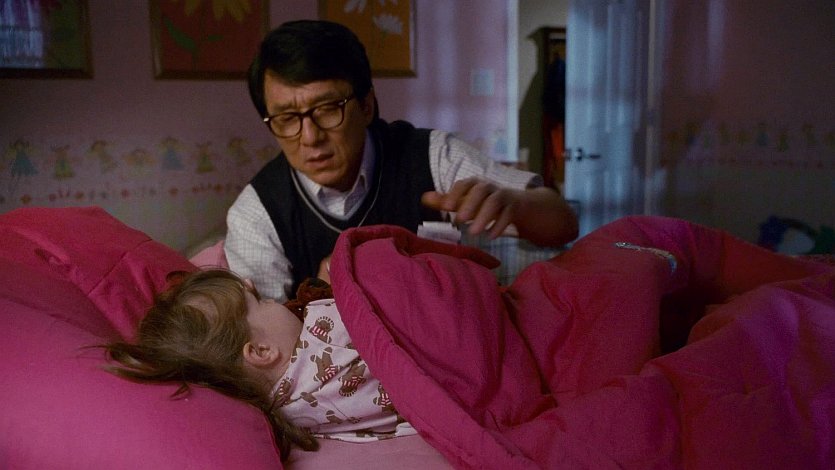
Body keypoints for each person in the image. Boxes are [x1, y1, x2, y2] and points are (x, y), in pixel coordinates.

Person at [225, 19, 579, 303]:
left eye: (328, 108)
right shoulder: (257, 213)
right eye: (287, 118)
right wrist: (321, 298)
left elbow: (564, 225)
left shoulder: (431, 156)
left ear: (366, 105)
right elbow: (263, 342)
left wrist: (515, 204)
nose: (310, 137)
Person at [103, 269, 415, 462]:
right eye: (262, 300)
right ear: (262, 351)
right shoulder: (328, 330)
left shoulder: (290, 416)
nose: (275, 302)